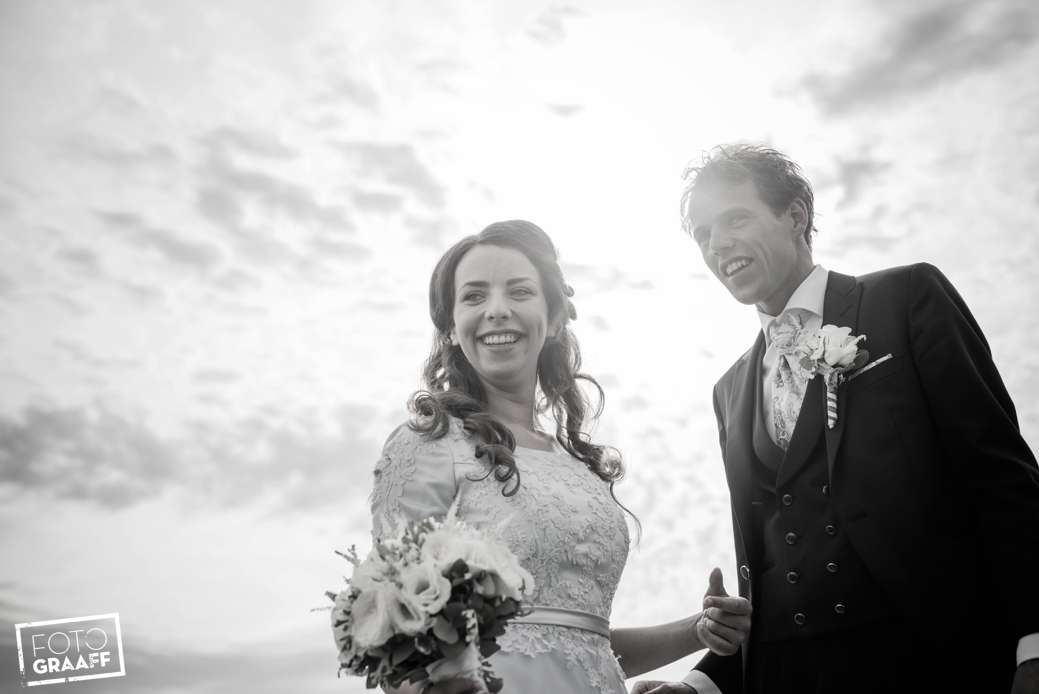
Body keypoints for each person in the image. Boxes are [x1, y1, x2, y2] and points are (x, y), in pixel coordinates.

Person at [634, 145, 1039, 694]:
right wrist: (699, 686)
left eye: (735, 220)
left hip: (940, 663)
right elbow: (773, 570)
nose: (717, 244)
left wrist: (1034, 645)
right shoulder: (728, 391)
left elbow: (1002, 481)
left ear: (795, 215)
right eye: (703, 234)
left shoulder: (907, 299)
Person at [364, 220, 752, 694]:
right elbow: (397, 638)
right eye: (474, 296)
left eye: (520, 291)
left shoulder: (577, 466)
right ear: (449, 328)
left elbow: (583, 646)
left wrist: (696, 630)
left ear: (552, 320)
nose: (497, 310)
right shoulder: (428, 444)